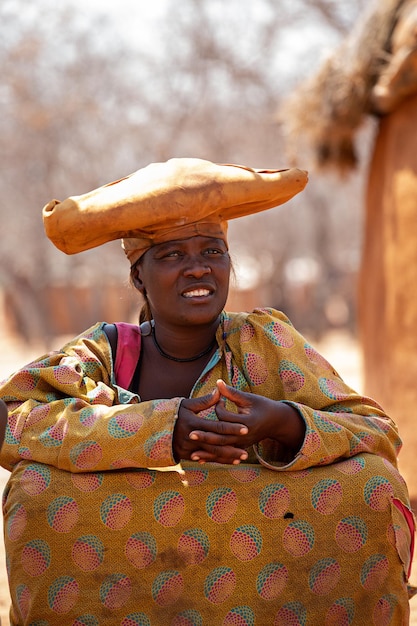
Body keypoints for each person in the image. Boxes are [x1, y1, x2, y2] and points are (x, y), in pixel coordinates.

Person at [0, 158, 414, 625]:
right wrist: (156, 431)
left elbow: (376, 431)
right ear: (139, 276)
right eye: (173, 255)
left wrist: (285, 423)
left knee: (374, 481)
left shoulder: (266, 342)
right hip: (134, 581)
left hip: (263, 587)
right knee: (35, 488)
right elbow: (14, 417)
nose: (198, 270)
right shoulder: (107, 352)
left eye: (212, 252)